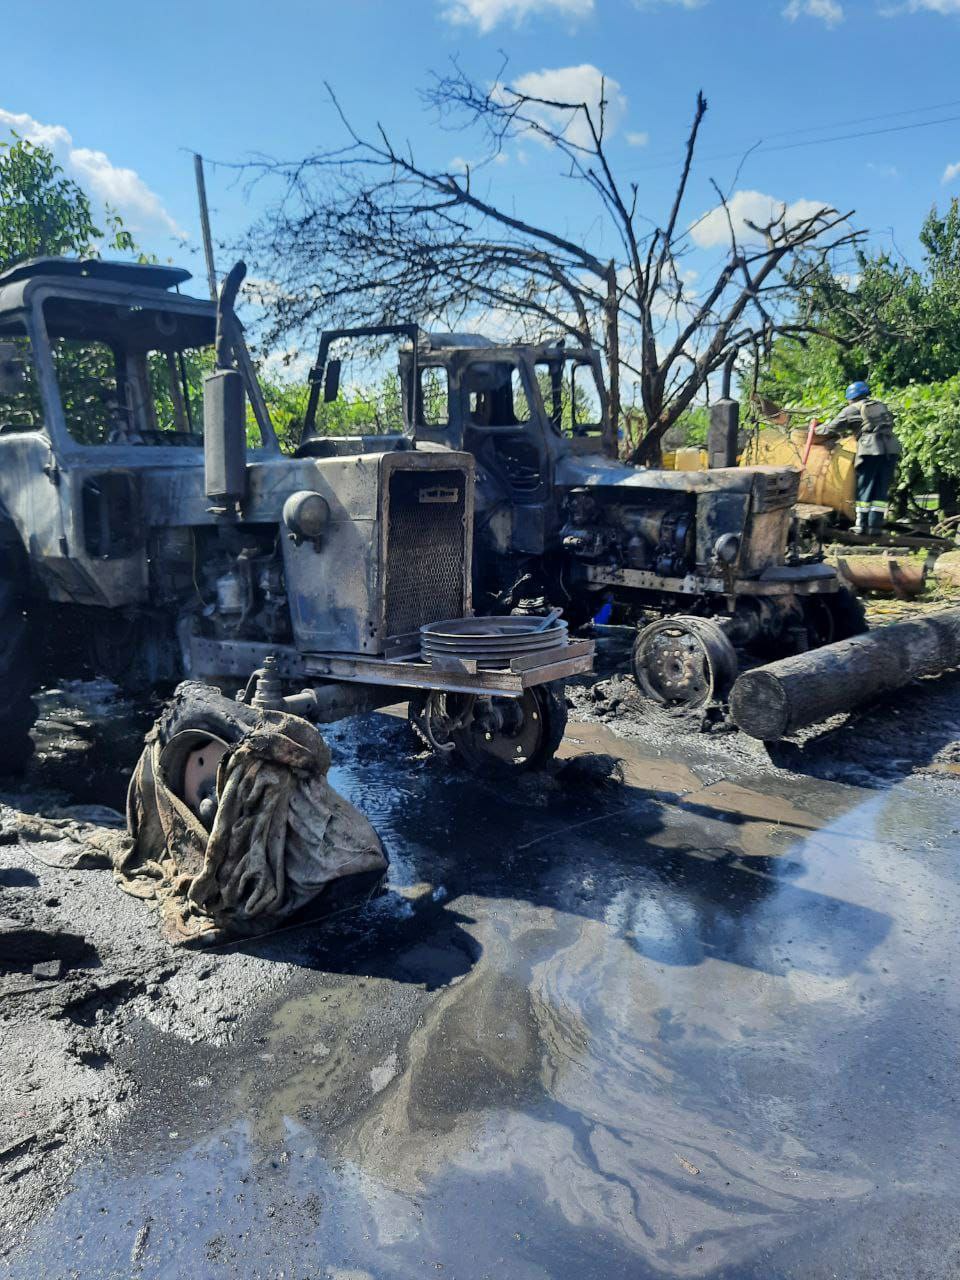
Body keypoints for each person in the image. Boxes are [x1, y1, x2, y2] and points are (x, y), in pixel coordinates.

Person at [813, 381, 900, 534]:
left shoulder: (851, 410)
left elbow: (830, 429)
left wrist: (815, 428)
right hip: (891, 448)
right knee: (881, 488)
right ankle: (875, 526)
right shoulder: (880, 405)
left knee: (865, 486)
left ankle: (861, 525)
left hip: (870, 449)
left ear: (851, 397)